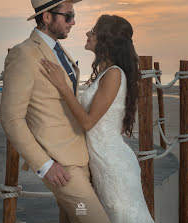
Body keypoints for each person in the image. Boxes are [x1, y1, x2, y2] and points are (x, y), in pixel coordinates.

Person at [0, 0, 110, 223]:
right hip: (61, 168)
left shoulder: (59, 51)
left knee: (74, 220)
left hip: (81, 158)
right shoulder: (24, 54)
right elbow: (11, 118)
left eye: (74, 16)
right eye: (68, 16)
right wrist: (44, 165)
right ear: (47, 17)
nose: (73, 22)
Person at [40, 15, 154, 222]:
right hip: (101, 163)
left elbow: (87, 122)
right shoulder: (106, 73)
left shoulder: (114, 75)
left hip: (113, 166)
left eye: (93, 31)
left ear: (106, 40)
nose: (87, 33)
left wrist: (62, 86)